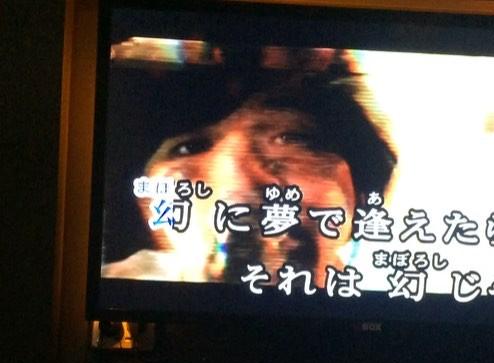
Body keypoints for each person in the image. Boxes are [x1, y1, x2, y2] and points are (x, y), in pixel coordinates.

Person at [102, 46, 396, 285]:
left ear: (360, 198)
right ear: (147, 206)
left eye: (292, 139)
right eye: (188, 149)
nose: (240, 185)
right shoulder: (124, 288)